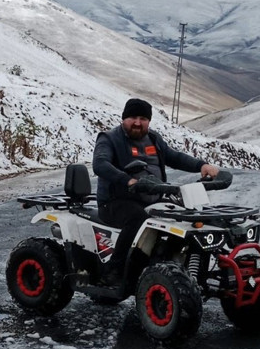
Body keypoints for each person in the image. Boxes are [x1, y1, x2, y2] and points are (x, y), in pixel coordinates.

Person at [92, 98, 220, 285]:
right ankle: (115, 270)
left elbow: (174, 157)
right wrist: (127, 180)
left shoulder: (153, 139)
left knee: (185, 218)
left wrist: (201, 165)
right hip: (115, 201)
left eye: (143, 118)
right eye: (133, 117)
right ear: (123, 119)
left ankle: (174, 265)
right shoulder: (109, 138)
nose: (137, 122)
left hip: (152, 199)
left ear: (149, 121)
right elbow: (100, 164)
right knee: (137, 219)